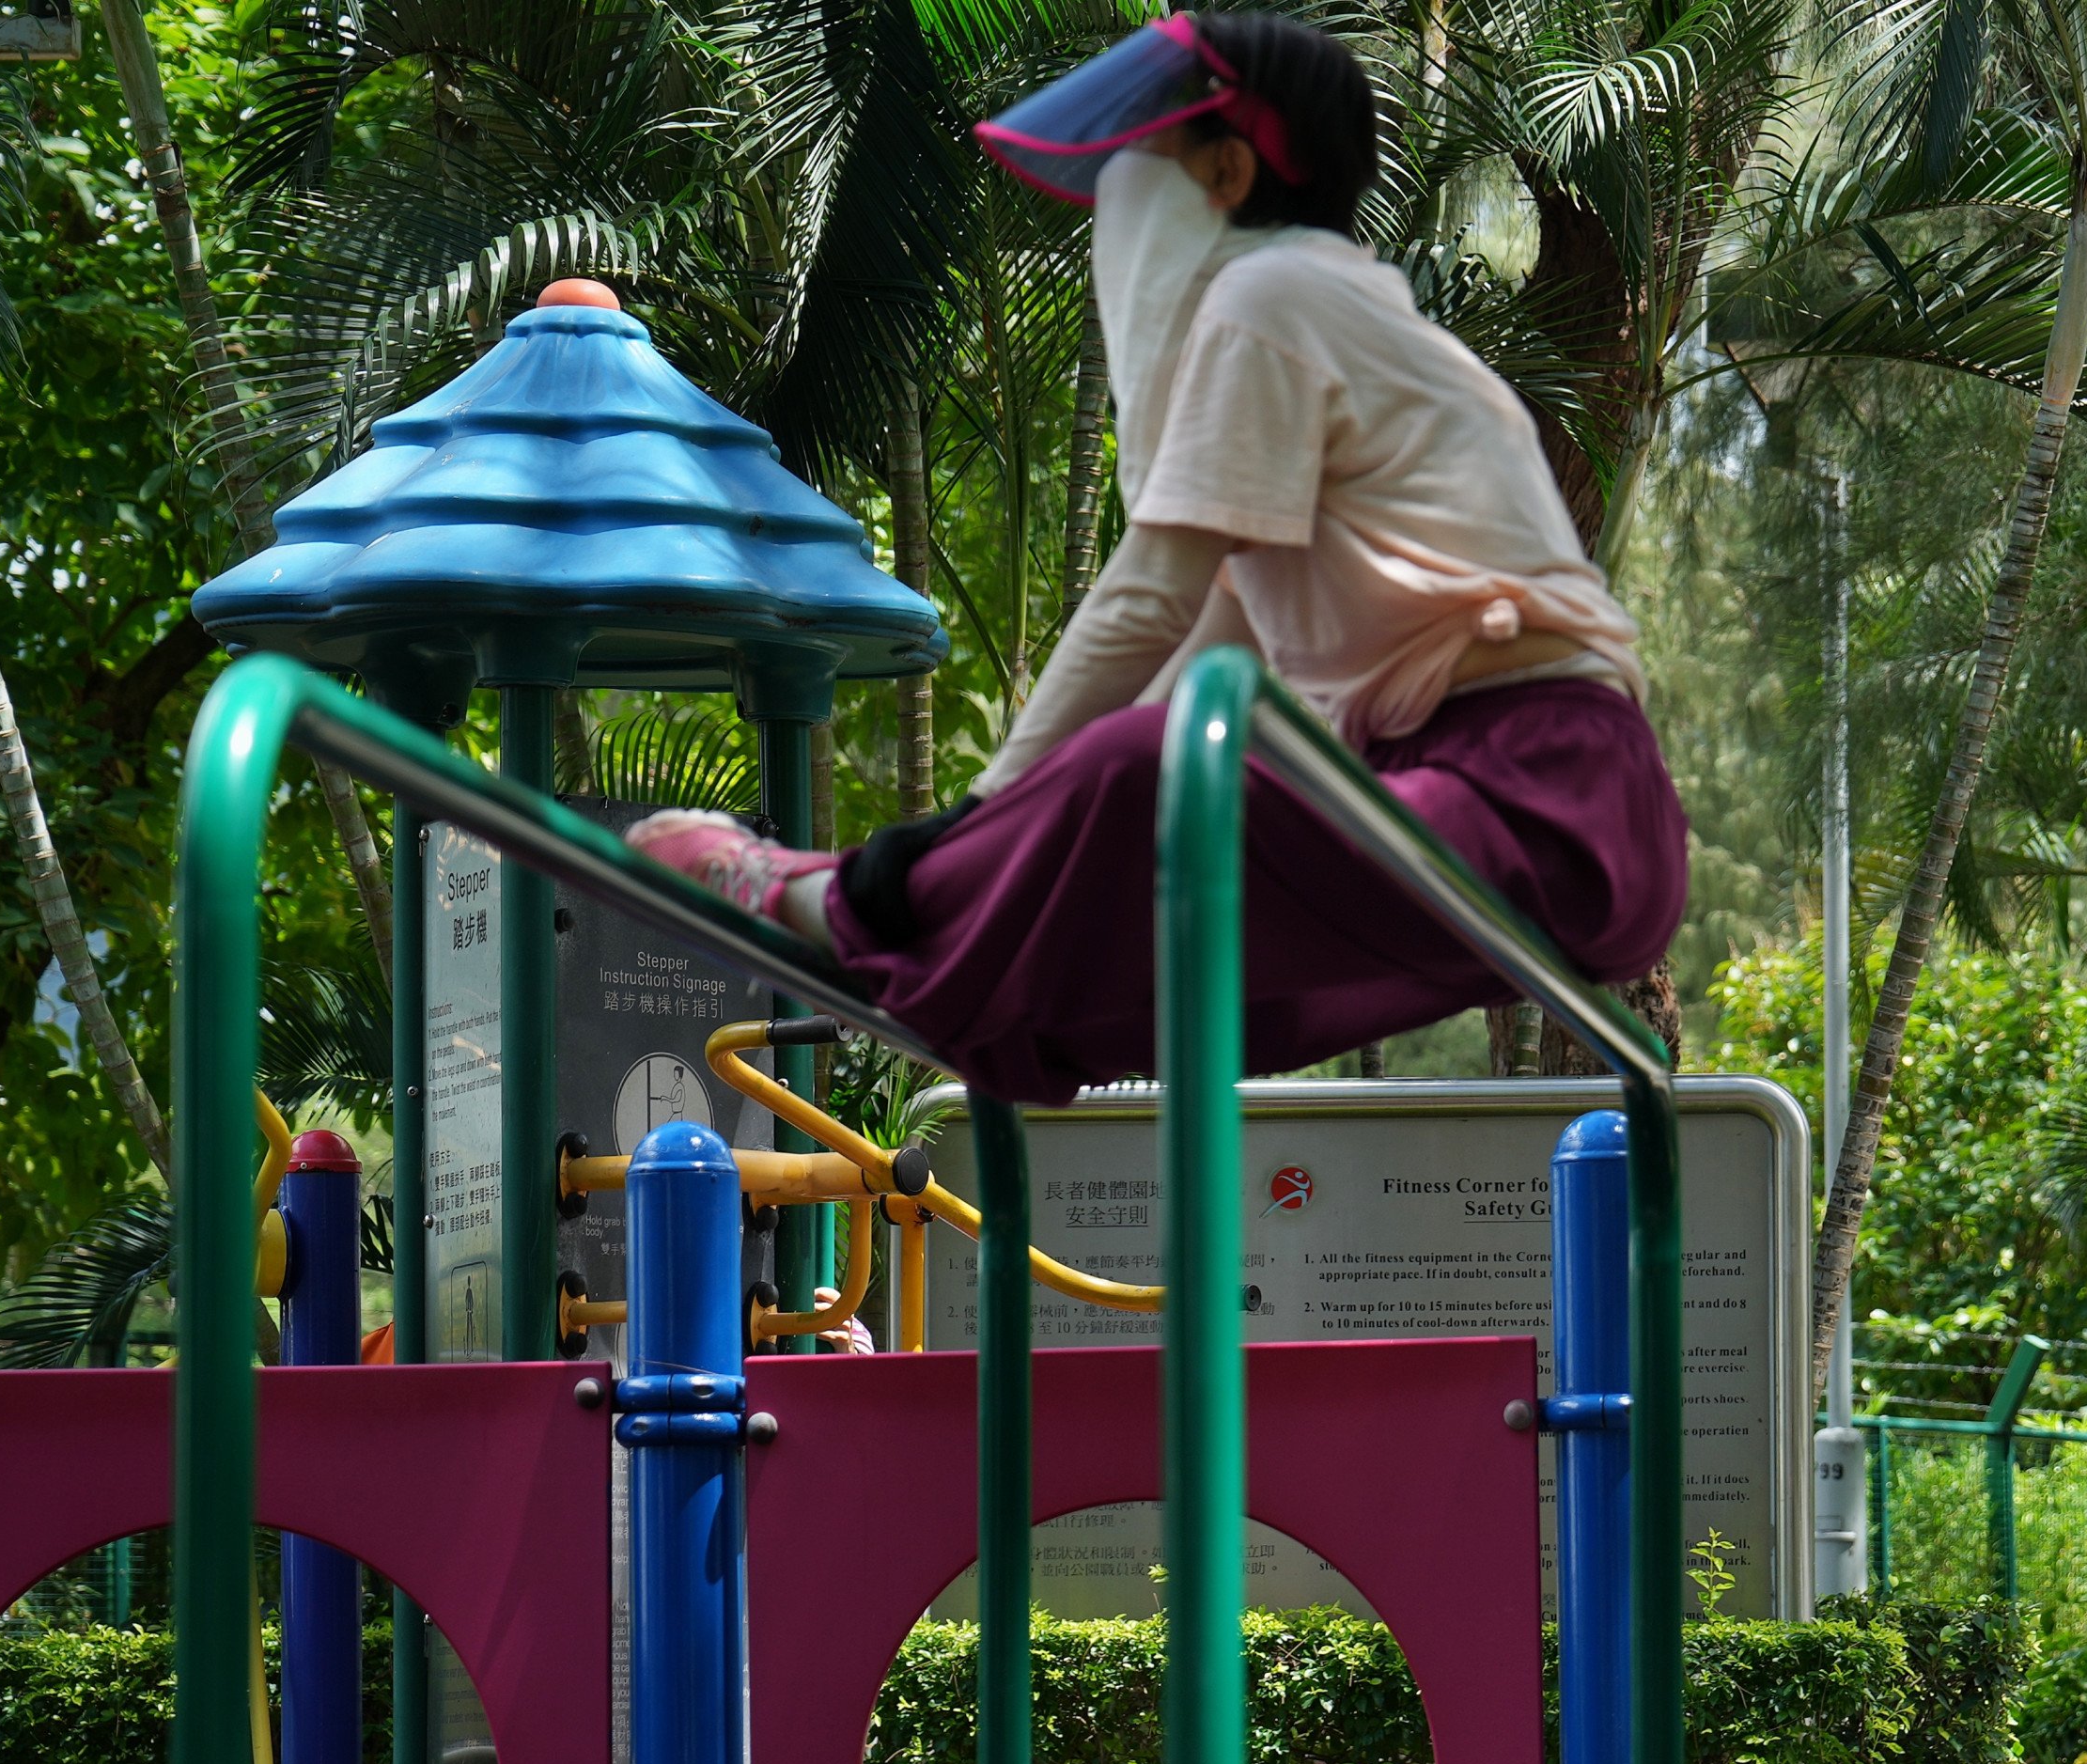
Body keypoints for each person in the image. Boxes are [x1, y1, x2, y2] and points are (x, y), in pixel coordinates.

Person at [630, 11, 1687, 1103]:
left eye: (1141, 163)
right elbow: (1202, 630)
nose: (1118, 207)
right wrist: (987, 832)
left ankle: (831, 904)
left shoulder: (1272, 297)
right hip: (1547, 820)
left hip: (1541, 799)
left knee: (1139, 772)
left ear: (1227, 169)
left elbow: (1148, 598)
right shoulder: (1350, 320)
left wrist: (974, 811)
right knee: (1165, 913)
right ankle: (916, 950)